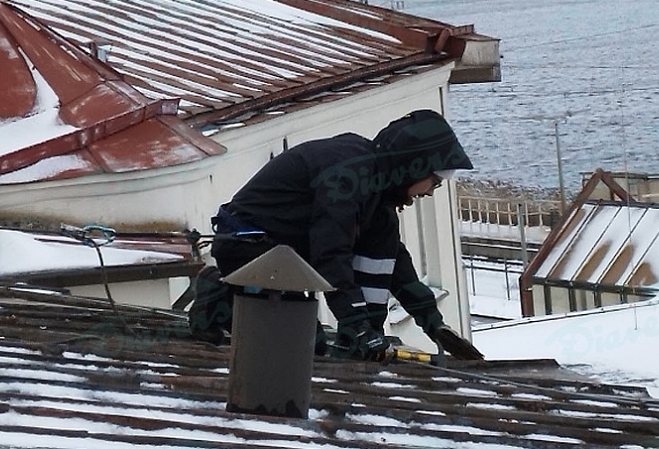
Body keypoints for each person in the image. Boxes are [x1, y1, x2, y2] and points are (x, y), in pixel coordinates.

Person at [188, 109, 485, 362]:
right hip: (249, 248)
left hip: (280, 259)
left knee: (315, 345)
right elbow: (331, 251)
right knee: (302, 348)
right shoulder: (349, 175)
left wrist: (434, 324)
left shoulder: (376, 194)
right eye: (434, 181)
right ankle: (218, 296)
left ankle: (235, 298)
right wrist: (356, 326)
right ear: (411, 165)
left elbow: (394, 265)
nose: (431, 191)